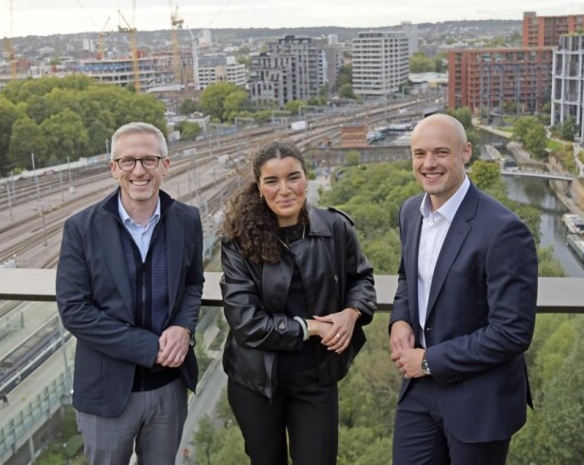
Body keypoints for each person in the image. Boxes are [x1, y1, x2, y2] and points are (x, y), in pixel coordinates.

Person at [389, 114, 538, 464]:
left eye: (441, 152)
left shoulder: (503, 230)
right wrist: (400, 320)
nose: (428, 164)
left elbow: (512, 333)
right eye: (419, 153)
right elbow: (408, 280)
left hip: (479, 400)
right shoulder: (411, 212)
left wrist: (427, 360)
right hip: (419, 394)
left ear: (466, 152)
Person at [220, 141, 377, 465]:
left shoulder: (336, 228)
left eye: (293, 177)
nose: (284, 190)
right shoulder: (238, 241)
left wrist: (352, 313)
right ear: (259, 187)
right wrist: (313, 327)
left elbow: (362, 279)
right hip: (256, 382)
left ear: (307, 178)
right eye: (272, 181)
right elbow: (246, 323)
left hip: (317, 379)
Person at [56, 122, 204, 465]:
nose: (139, 170)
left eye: (149, 160)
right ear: (114, 169)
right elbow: (75, 310)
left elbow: (194, 282)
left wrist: (183, 327)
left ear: (165, 166)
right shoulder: (81, 228)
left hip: (169, 388)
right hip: (107, 395)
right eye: (128, 161)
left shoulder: (187, 220)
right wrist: (150, 348)